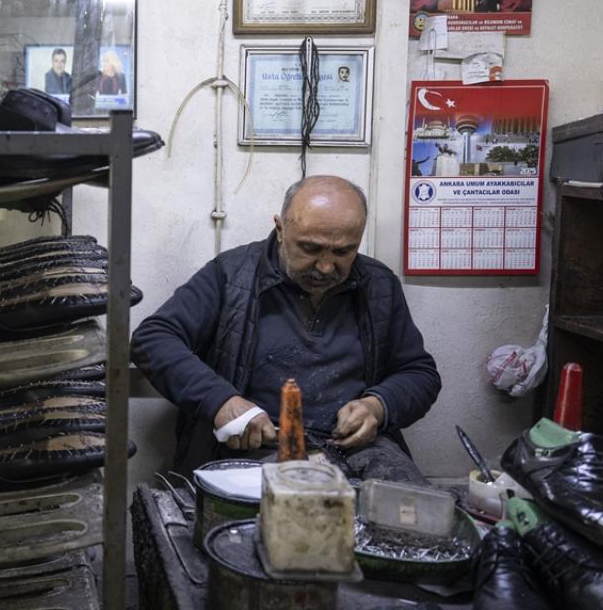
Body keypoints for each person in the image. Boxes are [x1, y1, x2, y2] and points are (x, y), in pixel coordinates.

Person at [131, 176, 440, 483]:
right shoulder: (231, 274)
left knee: (416, 519)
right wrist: (222, 402)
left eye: (343, 252)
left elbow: (419, 372)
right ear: (280, 229)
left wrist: (378, 406)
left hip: (357, 449)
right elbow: (153, 338)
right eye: (310, 248)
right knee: (277, 523)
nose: (325, 267)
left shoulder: (378, 284)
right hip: (257, 447)